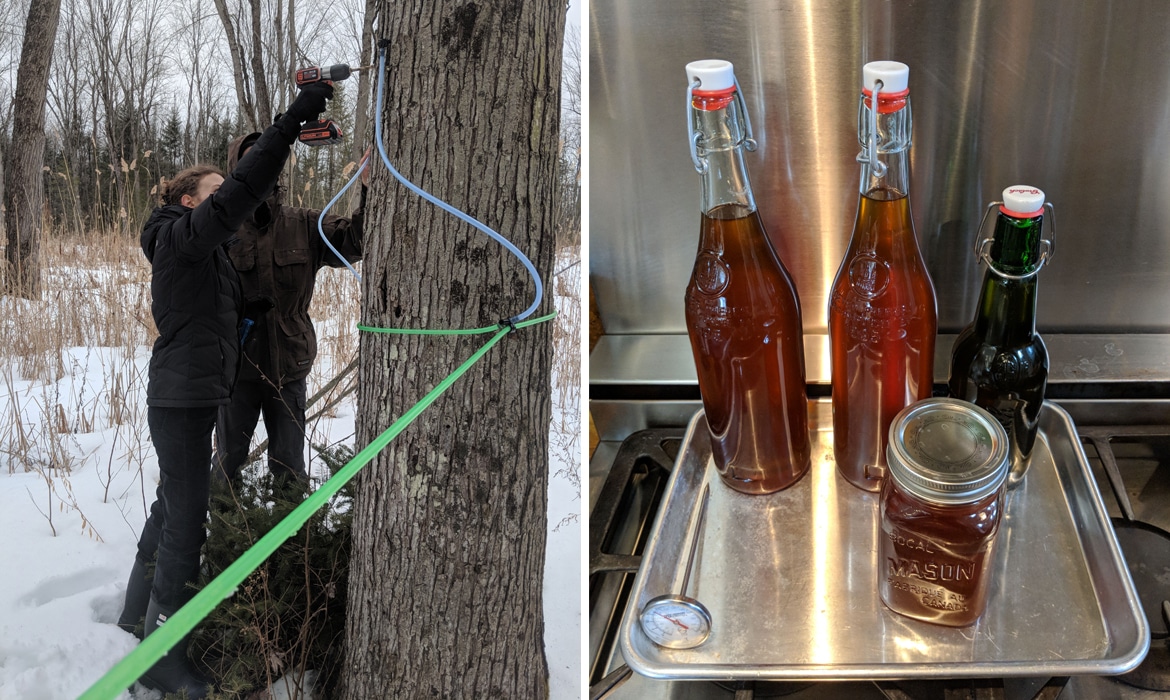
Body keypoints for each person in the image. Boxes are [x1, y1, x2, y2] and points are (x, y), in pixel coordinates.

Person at [114, 80, 334, 698]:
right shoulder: (181, 238)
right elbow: (242, 190)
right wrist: (293, 120)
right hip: (181, 401)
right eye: (215, 195)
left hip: (192, 395)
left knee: (172, 504)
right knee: (188, 523)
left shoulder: (201, 253)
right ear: (190, 200)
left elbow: (226, 305)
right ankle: (163, 654)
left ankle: (136, 614)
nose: (228, 207)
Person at [211, 136, 366, 489]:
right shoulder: (218, 229)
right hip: (237, 370)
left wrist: (368, 189)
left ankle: (292, 537)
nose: (261, 169)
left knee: (290, 465)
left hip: (290, 367)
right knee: (227, 461)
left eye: (268, 161)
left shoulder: (306, 223)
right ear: (236, 171)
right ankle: (220, 533)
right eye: (251, 162)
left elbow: (356, 241)